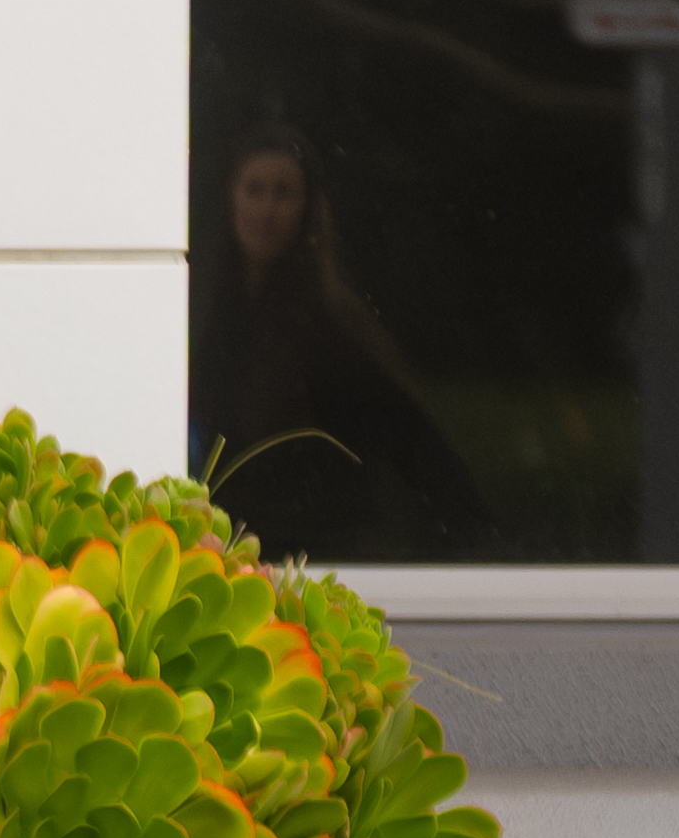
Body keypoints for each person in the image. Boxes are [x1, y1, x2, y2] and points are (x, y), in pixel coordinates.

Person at [194, 126, 485, 562]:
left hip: (312, 560)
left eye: (283, 193)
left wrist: (474, 544)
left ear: (307, 211)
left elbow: (415, 441)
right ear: (230, 199)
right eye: (254, 190)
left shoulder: (330, 330)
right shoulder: (200, 313)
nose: (266, 209)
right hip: (221, 559)